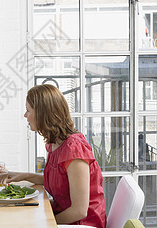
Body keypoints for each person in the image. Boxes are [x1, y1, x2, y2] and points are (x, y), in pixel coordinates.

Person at [7, 84, 106, 227]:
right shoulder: (55, 143)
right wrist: (20, 176)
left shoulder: (74, 150)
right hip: (63, 217)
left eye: (28, 110)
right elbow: (59, 181)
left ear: (42, 114)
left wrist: (43, 223)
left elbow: (79, 211)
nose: (25, 115)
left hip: (82, 224)